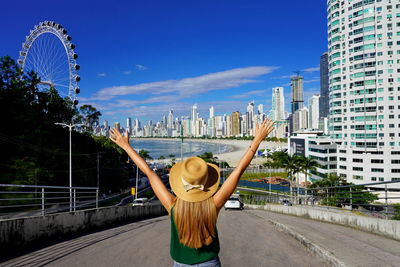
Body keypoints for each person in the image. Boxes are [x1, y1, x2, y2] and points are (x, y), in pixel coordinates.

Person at [109, 118, 274, 266]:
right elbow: (238, 171)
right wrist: (257, 140)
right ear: (206, 183)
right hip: (210, 263)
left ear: (182, 183)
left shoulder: (173, 206)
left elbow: (150, 173)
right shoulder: (213, 204)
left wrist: (126, 147)